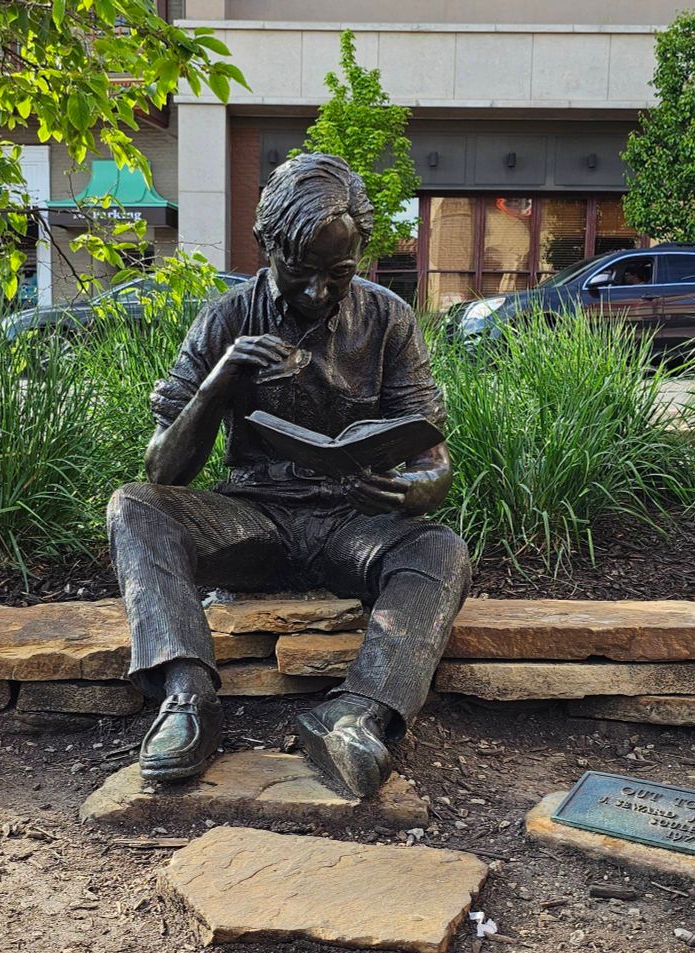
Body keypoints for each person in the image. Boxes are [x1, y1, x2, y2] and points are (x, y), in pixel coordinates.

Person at [107, 153, 471, 798]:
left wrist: (418, 488)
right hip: (255, 521)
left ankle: (356, 715)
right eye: (301, 272)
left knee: (440, 548)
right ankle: (188, 698)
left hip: (351, 524)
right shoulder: (227, 317)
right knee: (135, 506)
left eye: (339, 274)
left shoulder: (388, 318)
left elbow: (429, 453)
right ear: (268, 247)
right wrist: (218, 384)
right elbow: (164, 471)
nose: (317, 292)